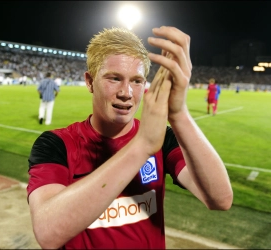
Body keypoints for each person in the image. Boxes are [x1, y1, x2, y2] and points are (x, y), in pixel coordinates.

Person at [27, 26, 233, 249]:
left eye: (137, 81)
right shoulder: (57, 144)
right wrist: (142, 146)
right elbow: (48, 233)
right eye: (114, 78)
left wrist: (178, 113)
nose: (126, 93)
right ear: (89, 81)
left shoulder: (162, 138)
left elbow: (219, 199)